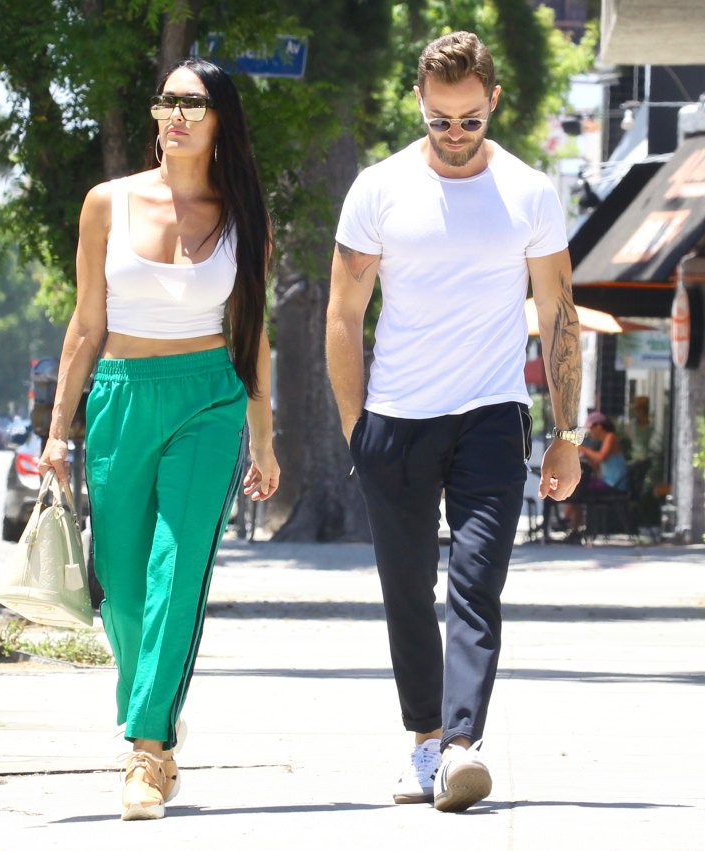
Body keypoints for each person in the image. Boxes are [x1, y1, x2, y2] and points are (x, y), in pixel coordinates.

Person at [326, 31, 582, 812]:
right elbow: (343, 312)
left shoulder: (531, 192)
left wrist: (565, 432)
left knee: (476, 581)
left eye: (469, 119)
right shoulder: (380, 187)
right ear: (420, 104)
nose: (456, 135)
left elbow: (560, 316)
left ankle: (464, 746)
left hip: (493, 417)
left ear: (493, 101)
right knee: (406, 586)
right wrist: (354, 428)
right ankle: (425, 742)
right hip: (397, 418)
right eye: (441, 120)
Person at [38, 57, 279, 821]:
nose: (174, 114)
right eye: (166, 100)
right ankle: (161, 732)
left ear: (219, 121)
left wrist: (265, 441)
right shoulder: (107, 203)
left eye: (193, 103)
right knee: (123, 580)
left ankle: (145, 750)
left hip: (210, 399)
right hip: (118, 398)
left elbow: (254, 335)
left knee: (177, 570)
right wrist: (54, 431)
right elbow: (85, 322)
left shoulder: (243, 212)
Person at [564, 412, 628, 540]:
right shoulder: (603, 441)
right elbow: (597, 465)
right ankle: (573, 527)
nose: (591, 433)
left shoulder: (610, 437)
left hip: (613, 484)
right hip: (608, 482)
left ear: (599, 427)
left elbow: (600, 457)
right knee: (577, 490)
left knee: (577, 490)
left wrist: (582, 449)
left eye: (591, 429)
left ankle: (566, 520)